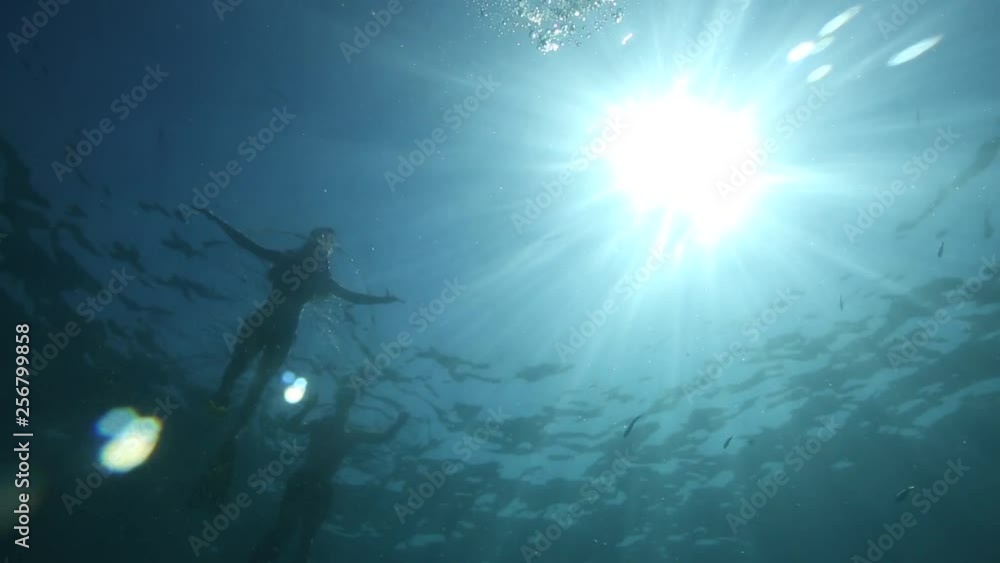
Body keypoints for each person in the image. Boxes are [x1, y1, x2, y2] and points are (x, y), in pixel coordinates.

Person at [202, 208, 401, 431]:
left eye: (330, 242)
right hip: (269, 325)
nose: (326, 245)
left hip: (277, 329)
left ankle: (233, 424)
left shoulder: (319, 278)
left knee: (258, 378)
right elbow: (246, 243)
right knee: (242, 366)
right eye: (323, 239)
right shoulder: (291, 261)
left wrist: (384, 300)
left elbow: (353, 296)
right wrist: (213, 217)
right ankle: (221, 400)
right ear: (312, 241)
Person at [248, 385, 408, 563]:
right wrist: (307, 407)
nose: (345, 404)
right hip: (310, 483)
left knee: (301, 536)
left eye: (347, 399)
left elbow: (381, 438)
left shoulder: (342, 431)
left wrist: (398, 424)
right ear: (341, 402)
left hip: (314, 485)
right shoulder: (335, 429)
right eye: (344, 398)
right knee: (290, 532)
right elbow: (291, 427)